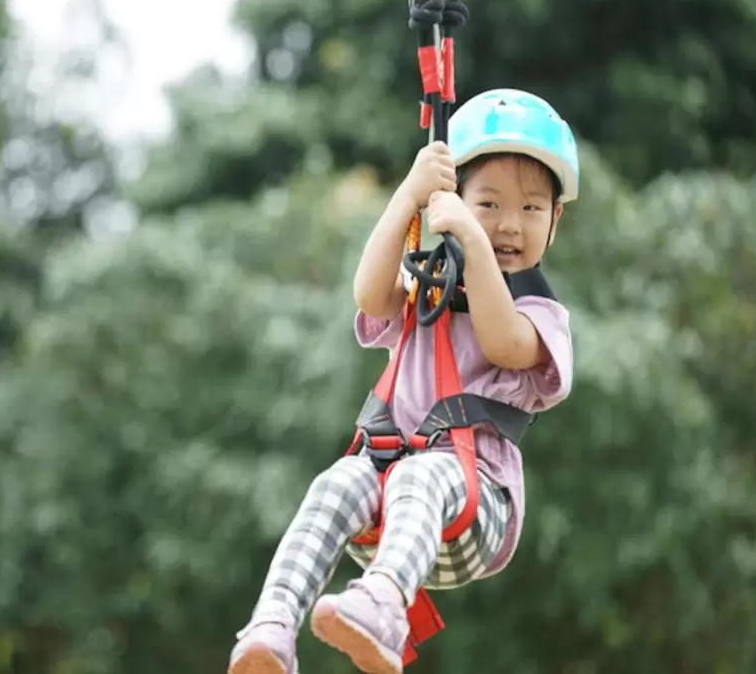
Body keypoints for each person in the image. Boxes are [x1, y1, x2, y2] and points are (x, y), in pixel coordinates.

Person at [227, 88, 579, 674]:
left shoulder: (542, 317)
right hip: (390, 501)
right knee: (335, 484)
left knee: (423, 470)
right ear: (455, 202)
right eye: (487, 205)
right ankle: (272, 626)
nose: (508, 225)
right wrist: (410, 196)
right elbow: (368, 293)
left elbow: (499, 339)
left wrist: (470, 238)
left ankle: (384, 607)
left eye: (531, 209)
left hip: (474, 508)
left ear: (555, 219)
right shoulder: (428, 289)